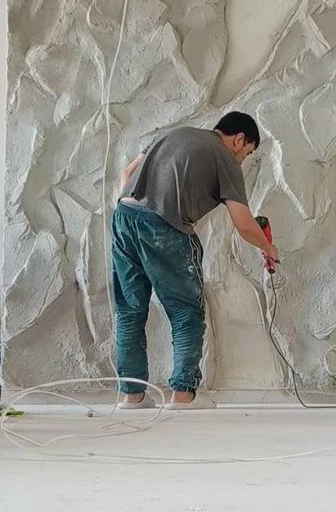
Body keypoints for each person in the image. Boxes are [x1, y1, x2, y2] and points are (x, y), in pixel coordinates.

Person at [111, 112, 280, 410]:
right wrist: (267, 247)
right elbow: (243, 223)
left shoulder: (173, 134)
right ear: (239, 139)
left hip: (124, 217)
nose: (242, 160)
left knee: (129, 310)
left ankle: (132, 396)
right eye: (247, 153)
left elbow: (126, 175)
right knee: (185, 312)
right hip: (163, 227)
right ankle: (183, 395)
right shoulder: (224, 157)